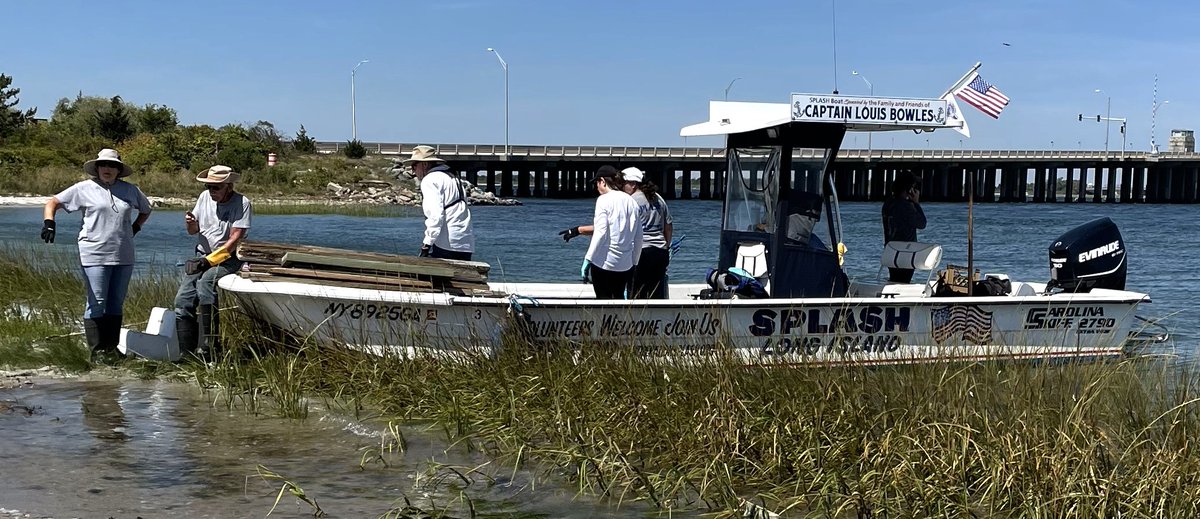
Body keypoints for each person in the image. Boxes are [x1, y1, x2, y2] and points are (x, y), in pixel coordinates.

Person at [41, 148, 151, 363]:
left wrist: (135, 228)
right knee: (97, 301)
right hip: (94, 252)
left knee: (116, 302)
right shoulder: (83, 188)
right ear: (97, 168)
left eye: (112, 165)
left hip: (123, 253)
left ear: (118, 170)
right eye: (103, 165)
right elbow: (53, 202)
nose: (107, 169)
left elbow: (146, 209)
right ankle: (97, 352)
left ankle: (112, 350)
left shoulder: (130, 190)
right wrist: (49, 223)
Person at [174, 165, 252, 358]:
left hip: (229, 258)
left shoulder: (242, 203)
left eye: (216, 187)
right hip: (203, 255)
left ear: (229, 186)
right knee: (182, 299)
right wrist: (190, 223)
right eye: (208, 186)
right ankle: (186, 353)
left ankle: (208, 347)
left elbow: (235, 239)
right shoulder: (204, 198)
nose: (211, 191)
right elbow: (193, 231)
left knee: (206, 283)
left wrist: (209, 262)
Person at [559, 166, 641, 299]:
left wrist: (588, 259)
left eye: (596, 183)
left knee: (603, 300)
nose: (597, 187)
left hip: (604, 264)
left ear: (602, 181)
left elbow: (601, 232)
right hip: (625, 265)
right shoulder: (632, 202)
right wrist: (635, 263)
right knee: (619, 298)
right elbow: (638, 237)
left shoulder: (603, 200)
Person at [405, 145, 474, 260]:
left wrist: (426, 244)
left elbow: (435, 215)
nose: (413, 172)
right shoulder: (454, 178)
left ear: (424, 164)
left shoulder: (430, 180)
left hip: (446, 243)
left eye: (414, 166)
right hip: (466, 243)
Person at [621, 167, 673, 299]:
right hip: (660, 251)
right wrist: (666, 247)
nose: (622, 187)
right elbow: (668, 226)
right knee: (656, 294)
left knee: (636, 294)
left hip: (640, 253)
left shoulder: (631, 201)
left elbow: (626, 228)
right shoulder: (659, 199)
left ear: (633, 184)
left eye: (623, 183)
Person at [881, 172, 927, 283]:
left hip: (891, 250)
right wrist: (916, 203)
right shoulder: (906, 206)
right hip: (906, 251)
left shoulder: (888, 203)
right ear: (909, 189)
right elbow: (922, 224)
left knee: (894, 280)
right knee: (904, 281)